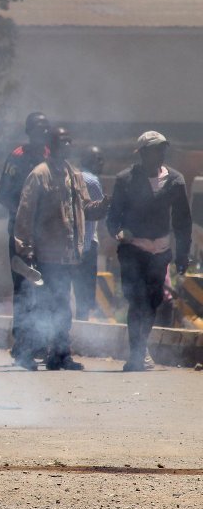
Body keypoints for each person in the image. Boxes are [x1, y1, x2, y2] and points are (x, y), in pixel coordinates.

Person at [14, 127, 108, 371]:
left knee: (63, 306)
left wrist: (104, 205)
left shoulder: (74, 175)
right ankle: (26, 353)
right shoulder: (39, 175)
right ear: (52, 145)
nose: (67, 146)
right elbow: (25, 213)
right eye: (63, 142)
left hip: (67, 255)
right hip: (45, 254)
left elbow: (86, 207)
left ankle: (60, 355)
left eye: (69, 142)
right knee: (43, 306)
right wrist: (26, 249)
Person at [106, 131, 191, 372]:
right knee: (137, 300)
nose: (160, 154)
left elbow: (182, 221)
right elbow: (113, 218)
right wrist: (118, 232)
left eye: (162, 149)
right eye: (154, 149)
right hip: (134, 250)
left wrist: (182, 255)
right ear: (142, 153)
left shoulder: (175, 181)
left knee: (153, 301)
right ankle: (136, 353)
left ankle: (141, 346)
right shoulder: (126, 179)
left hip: (160, 251)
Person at [0, 112, 51, 364]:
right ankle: (22, 343)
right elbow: (3, 195)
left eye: (46, 128)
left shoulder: (52, 156)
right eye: (39, 128)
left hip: (49, 239)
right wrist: (24, 217)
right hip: (21, 235)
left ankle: (42, 343)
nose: (44, 132)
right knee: (23, 290)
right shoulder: (17, 157)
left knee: (46, 289)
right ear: (29, 131)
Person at [75, 146, 105, 321]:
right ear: (86, 160)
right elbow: (100, 211)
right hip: (86, 246)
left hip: (68, 245)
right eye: (97, 159)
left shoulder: (71, 177)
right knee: (84, 297)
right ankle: (81, 329)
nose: (101, 163)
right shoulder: (92, 181)